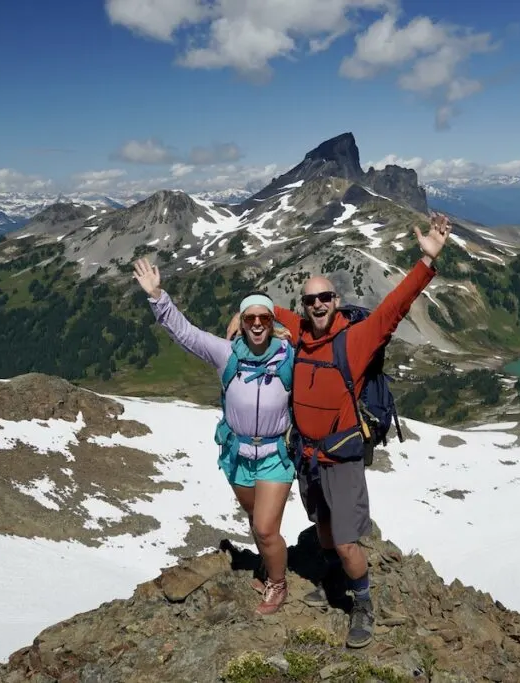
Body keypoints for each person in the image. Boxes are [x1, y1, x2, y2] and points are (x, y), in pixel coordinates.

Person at [226, 212, 452, 648]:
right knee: (324, 526)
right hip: (307, 455)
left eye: (325, 298)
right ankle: (332, 579)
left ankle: (362, 603)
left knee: (347, 541)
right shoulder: (299, 330)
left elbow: (395, 307)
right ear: (304, 306)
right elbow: (265, 312)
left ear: (335, 299)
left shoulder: (357, 338)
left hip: (342, 455)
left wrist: (425, 262)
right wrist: (244, 314)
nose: (318, 306)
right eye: (310, 301)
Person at [132, 257, 296, 616]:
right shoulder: (226, 354)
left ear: (272, 322)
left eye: (263, 319)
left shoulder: (289, 357)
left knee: (267, 528)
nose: (256, 325)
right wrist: (158, 296)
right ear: (242, 322)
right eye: (249, 318)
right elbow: (186, 333)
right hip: (237, 455)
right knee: (256, 522)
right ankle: (268, 567)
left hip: (275, 456)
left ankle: (278, 585)